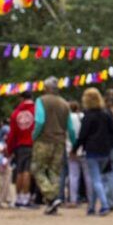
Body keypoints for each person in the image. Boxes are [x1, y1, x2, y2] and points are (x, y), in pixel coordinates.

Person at [34, 78, 70, 215]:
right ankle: (52, 203)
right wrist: (73, 142)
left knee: (37, 169)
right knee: (55, 172)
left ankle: (51, 196)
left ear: (46, 88)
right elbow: (70, 127)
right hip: (60, 142)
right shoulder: (65, 103)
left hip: (43, 141)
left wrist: (34, 136)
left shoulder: (41, 100)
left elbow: (39, 121)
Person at [73, 88, 112, 216]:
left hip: (92, 151)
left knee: (95, 180)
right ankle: (91, 207)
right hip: (105, 151)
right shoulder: (106, 115)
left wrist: (74, 149)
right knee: (98, 179)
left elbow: (82, 135)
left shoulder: (88, 116)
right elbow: (112, 131)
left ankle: (105, 205)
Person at [6, 94, 35, 209]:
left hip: (19, 145)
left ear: (21, 99)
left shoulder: (15, 113)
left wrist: (9, 148)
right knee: (27, 171)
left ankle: (18, 198)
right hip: (31, 143)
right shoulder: (35, 110)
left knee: (19, 171)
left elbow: (12, 133)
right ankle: (25, 198)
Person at [63, 101, 87, 207]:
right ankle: (91, 198)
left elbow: (70, 132)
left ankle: (73, 199)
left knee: (73, 176)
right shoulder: (83, 116)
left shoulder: (67, 118)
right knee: (88, 176)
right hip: (84, 149)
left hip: (70, 148)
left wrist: (73, 147)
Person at [0, 142, 12, 209]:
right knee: (3, 186)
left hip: (7, 173)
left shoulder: (7, 156)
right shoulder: (0, 156)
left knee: (7, 187)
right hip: (3, 174)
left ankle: (8, 200)